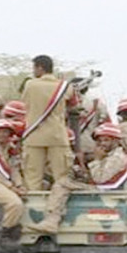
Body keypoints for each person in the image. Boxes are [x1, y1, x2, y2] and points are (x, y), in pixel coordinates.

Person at [33, 122, 127, 233]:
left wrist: (97, 159)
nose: (102, 144)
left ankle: (51, 220)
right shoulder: (111, 155)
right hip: (103, 189)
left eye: (106, 140)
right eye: (99, 141)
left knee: (62, 183)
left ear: (116, 141)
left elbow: (99, 179)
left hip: (107, 191)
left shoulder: (117, 157)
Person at [20, 55, 77, 190]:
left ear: (40, 68)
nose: (33, 71)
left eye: (34, 68)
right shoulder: (65, 86)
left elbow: (24, 102)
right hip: (57, 136)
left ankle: (34, 207)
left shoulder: (30, 85)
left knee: (32, 178)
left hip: (34, 136)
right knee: (62, 177)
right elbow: (73, 105)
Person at [76, 88, 111, 161]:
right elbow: (107, 127)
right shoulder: (97, 104)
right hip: (92, 148)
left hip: (70, 149)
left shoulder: (63, 102)